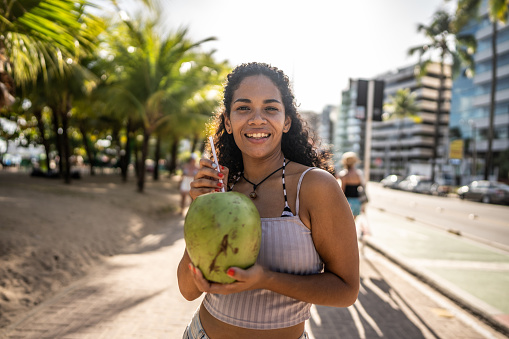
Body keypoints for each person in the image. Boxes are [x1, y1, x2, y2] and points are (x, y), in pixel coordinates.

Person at [177, 62, 359, 339]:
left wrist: (266, 280)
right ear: (228, 121)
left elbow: (346, 291)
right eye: (243, 107)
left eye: (270, 108)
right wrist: (203, 207)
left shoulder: (315, 187)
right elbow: (188, 290)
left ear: (286, 121)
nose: (257, 119)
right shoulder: (221, 190)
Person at [338, 152, 365, 220]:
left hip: (347, 201)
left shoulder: (344, 175)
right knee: (354, 222)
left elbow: (342, 190)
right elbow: (362, 187)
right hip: (357, 200)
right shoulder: (358, 174)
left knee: (345, 221)